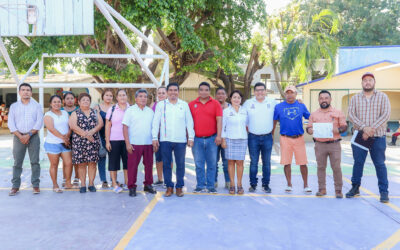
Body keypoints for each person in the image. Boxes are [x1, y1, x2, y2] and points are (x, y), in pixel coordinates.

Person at [346, 72, 391, 203]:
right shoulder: (355, 98)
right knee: (358, 163)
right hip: (360, 136)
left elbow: (386, 115)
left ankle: (384, 191)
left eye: (370, 80)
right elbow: (351, 115)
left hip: (378, 137)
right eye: (365, 80)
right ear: (362, 83)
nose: (367, 82)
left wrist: (371, 130)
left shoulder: (382, 96)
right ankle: (355, 188)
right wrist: (364, 128)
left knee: (380, 164)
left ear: (374, 82)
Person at [152, 83, 194, 197]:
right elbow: (156, 122)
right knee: (166, 164)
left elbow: (189, 122)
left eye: (175, 90)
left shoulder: (184, 105)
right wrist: (155, 138)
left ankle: (179, 187)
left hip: (180, 141)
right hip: (165, 140)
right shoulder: (161, 105)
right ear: (167, 92)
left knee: (180, 164)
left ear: (178, 92)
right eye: (170, 90)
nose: (173, 92)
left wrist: (191, 137)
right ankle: (169, 187)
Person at [306, 90, 347, 198]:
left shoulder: (338, 112)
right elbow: (309, 127)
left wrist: (338, 129)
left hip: (334, 144)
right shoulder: (314, 114)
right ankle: (322, 189)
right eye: (321, 98)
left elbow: (344, 126)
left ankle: (338, 190)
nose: (324, 100)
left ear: (330, 99)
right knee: (320, 167)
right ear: (318, 100)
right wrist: (310, 130)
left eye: (326, 98)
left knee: (336, 168)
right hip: (319, 145)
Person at [273, 85, 311, 194]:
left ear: (296, 94)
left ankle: (306, 185)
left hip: (299, 138)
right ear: (285, 94)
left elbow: (310, 117)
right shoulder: (279, 107)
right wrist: (271, 136)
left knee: (303, 163)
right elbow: (274, 121)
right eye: (287, 93)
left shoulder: (301, 105)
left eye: (292, 92)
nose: (290, 95)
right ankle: (289, 184)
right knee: (286, 162)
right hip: (285, 138)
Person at [8, 83, 43, 196]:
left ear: (31, 92)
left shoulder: (37, 106)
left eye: (28, 90)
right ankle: (15, 186)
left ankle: (36, 185)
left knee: (35, 162)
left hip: (33, 137)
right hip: (18, 137)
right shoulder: (14, 106)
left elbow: (39, 123)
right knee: (17, 162)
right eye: (23, 90)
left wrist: (28, 135)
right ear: (19, 92)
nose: (25, 92)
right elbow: (11, 124)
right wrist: (20, 136)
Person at [189, 82, 222, 193]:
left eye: (206, 90)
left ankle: (211, 186)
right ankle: (200, 185)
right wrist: (189, 138)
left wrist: (219, 136)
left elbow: (219, 120)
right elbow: (188, 123)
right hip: (197, 139)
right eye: (201, 89)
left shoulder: (216, 103)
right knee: (199, 164)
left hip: (212, 139)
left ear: (209, 91)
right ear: (198, 91)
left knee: (212, 164)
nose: (204, 92)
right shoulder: (191, 104)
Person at [243, 82, 277, 193]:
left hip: (267, 137)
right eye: (257, 90)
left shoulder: (272, 102)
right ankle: (253, 184)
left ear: (266, 91)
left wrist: (297, 102)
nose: (259, 92)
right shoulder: (248, 103)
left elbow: (283, 110)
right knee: (253, 162)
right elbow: (242, 117)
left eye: (262, 90)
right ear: (254, 92)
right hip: (252, 137)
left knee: (266, 162)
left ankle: (265, 184)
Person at [123, 89, 157, 197]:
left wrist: (155, 141)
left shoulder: (150, 111)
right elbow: (124, 127)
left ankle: (148, 185)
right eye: (141, 96)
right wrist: (127, 143)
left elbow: (154, 128)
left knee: (149, 166)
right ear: (136, 99)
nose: (143, 98)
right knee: (132, 166)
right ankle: (132, 187)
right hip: (134, 144)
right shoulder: (130, 110)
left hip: (148, 143)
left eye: (145, 97)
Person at [69, 93, 103, 193]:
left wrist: (92, 132)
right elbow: (73, 126)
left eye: (87, 100)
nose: (85, 101)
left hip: (93, 142)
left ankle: (91, 184)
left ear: (90, 102)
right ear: (79, 102)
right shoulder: (75, 113)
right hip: (79, 142)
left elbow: (100, 124)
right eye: (83, 100)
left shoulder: (95, 112)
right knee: (81, 164)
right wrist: (87, 135)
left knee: (92, 163)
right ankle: (83, 184)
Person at [44, 95, 73, 192]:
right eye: (54, 102)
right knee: (54, 165)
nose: (57, 104)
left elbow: (70, 125)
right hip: (53, 143)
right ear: (51, 104)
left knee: (69, 163)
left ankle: (68, 182)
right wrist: (63, 138)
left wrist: (68, 135)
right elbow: (51, 129)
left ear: (62, 103)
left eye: (59, 101)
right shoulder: (48, 115)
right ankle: (55, 185)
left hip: (65, 143)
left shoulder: (65, 113)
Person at [221, 90, 248, 195]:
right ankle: (232, 185)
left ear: (241, 100)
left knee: (240, 162)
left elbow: (248, 124)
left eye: (239, 98)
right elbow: (223, 127)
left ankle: (239, 185)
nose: (236, 99)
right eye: (234, 97)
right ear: (230, 99)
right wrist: (223, 140)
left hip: (242, 139)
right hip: (230, 139)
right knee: (231, 162)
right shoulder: (226, 111)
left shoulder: (245, 111)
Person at [105, 89, 129, 193]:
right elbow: (107, 126)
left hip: (128, 141)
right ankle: (114, 184)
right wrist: (107, 141)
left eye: (124, 95)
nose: (122, 97)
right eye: (120, 95)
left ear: (126, 96)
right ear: (117, 97)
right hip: (114, 140)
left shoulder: (131, 109)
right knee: (113, 163)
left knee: (127, 163)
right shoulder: (112, 109)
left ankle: (127, 183)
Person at [95, 89, 113, 189]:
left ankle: (113, 179)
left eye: (110, 96)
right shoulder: (97, 107)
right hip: (100, 137)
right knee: (102, 158)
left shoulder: (115, 108)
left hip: (112, 136)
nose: (109, 97)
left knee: (112, 159)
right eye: (107, 95)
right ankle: (103, 180)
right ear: (103, 96)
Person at [61, 92, 80, 187]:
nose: (70, 100)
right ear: (63, 100)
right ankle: (65, 178)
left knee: (76, 159)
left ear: (75, 100)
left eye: (72, 98)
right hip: (63, 137)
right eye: (67, 98)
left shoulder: (78, 110)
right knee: (66, 160)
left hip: (77, 137)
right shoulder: (60, 110)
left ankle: (77, 178)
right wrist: (64, 136)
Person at [151, 86, 168, 186]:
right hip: (157, 137)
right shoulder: (154, 105)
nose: (161, 95)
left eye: (163, 93)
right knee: (158, 158)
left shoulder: (169, 105)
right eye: (159, 93)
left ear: (166, 94)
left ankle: (167, 179)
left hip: (167, 137)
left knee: (168, 159)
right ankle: (160, 179)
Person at [214, 87, 230, 189]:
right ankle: (214, 181)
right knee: (213, 161)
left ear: (226, 96)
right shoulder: (213, 106)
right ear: (215, 95)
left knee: (226, 162)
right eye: (218, 93)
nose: (221, 95)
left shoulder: (231, 107)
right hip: (214, 137)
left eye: (223, 93)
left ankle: (228, 181)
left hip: (226, 138)